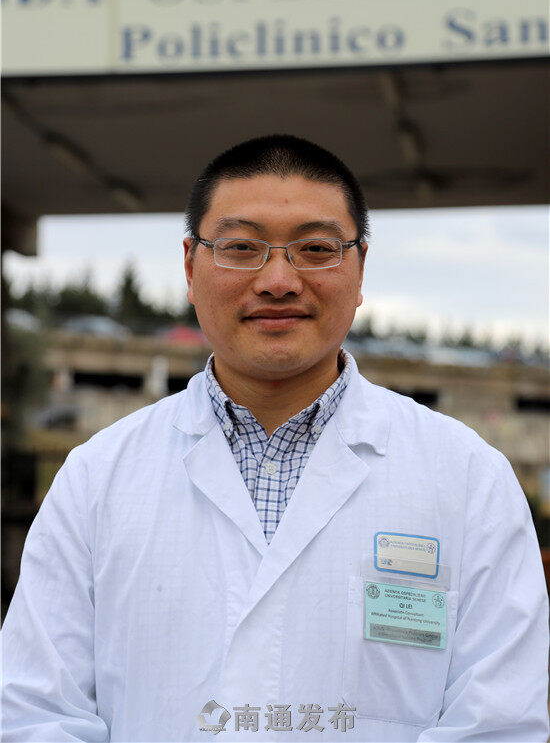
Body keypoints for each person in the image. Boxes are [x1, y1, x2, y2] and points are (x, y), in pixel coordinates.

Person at [2, 135, 548, 743]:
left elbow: (502, 724)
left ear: (360, 269)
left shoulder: (470, 480)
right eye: (241, 248)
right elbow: (36, 714)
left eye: (316, 249)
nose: (279, 280)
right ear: (190, 267)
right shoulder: (96, 478)